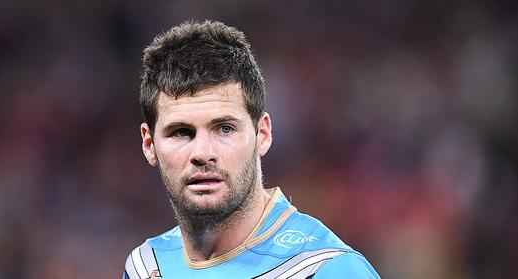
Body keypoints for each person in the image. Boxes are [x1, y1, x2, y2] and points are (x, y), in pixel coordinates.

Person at [123, 20, 381, 279]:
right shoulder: (145, 266)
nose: (202, 153)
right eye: (181, 132)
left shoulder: (325, 269)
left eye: (225, 128)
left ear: (263, 134)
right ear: (149, 144)